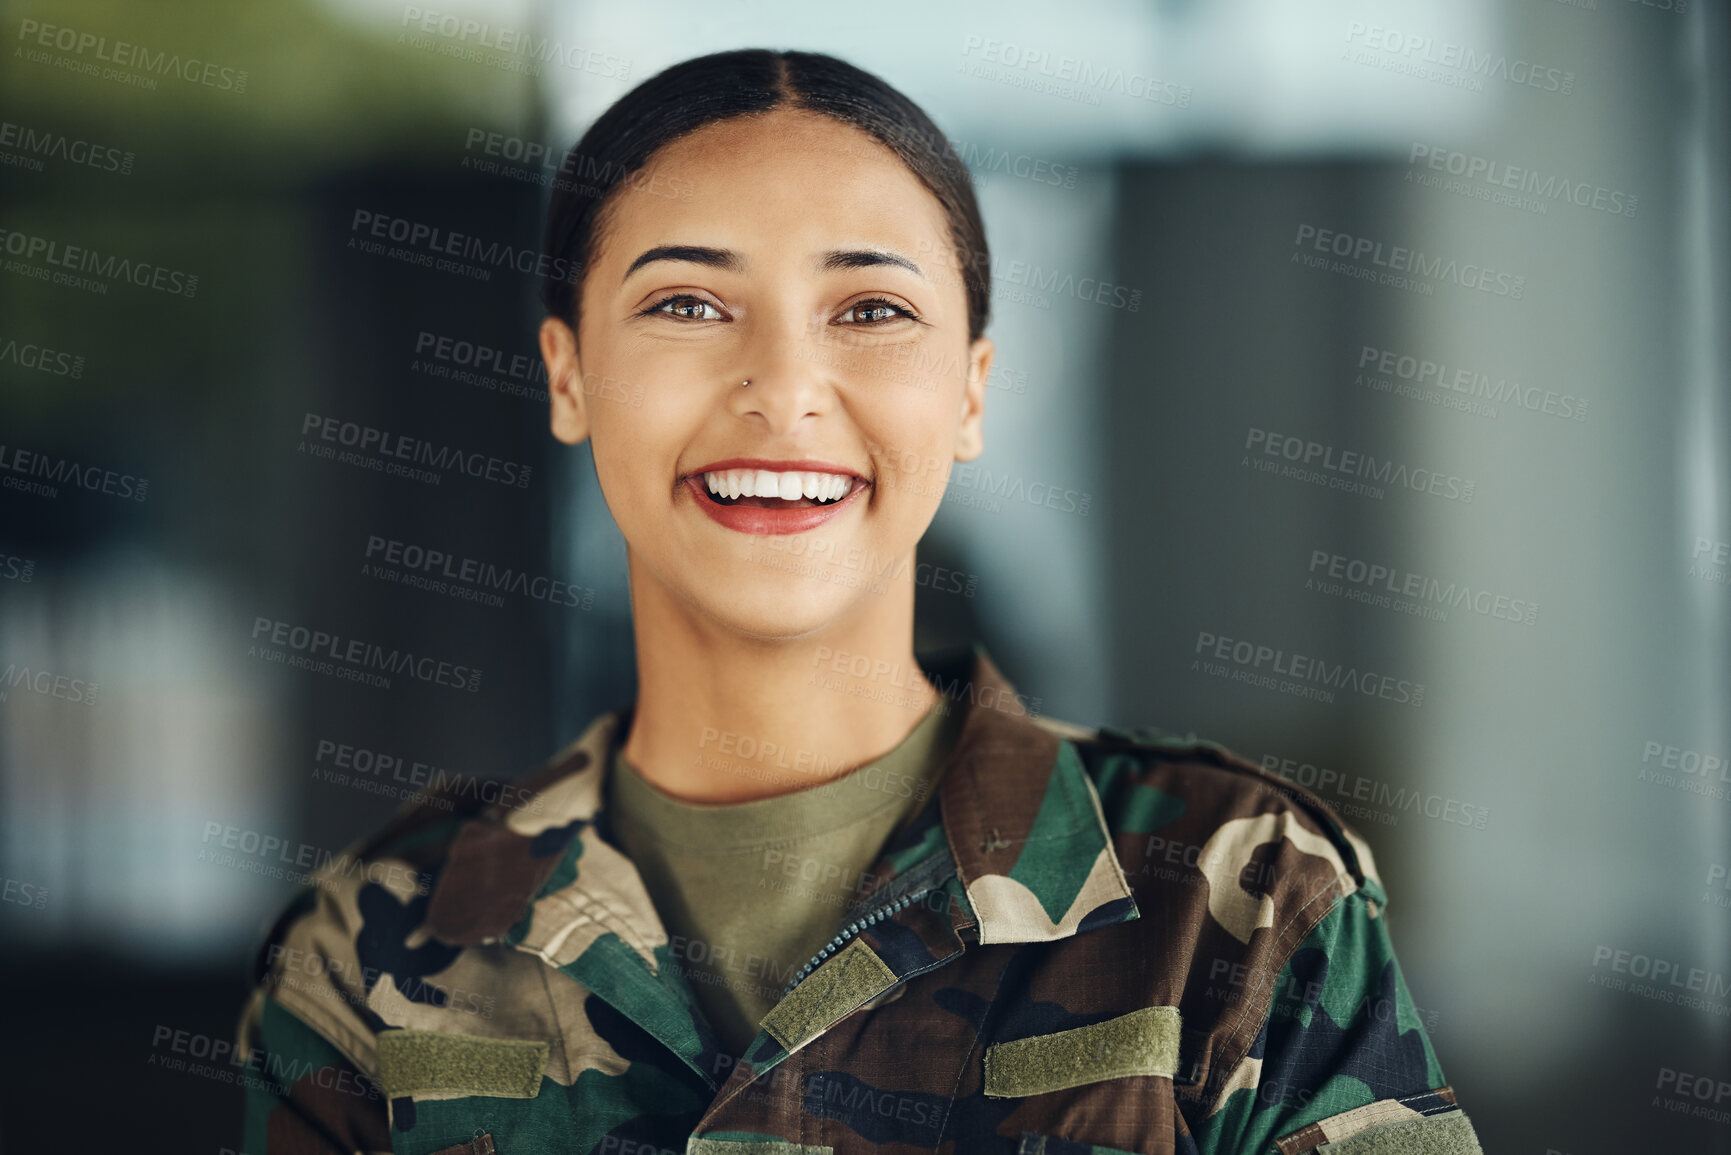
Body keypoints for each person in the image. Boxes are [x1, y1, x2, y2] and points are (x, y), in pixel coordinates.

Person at [237, 48, 1482, 1155]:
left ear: (972, 392)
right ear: (568, 376)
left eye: (872, 310)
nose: (783, 389)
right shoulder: (373, 936)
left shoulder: (1237, 897)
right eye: (687, 304)